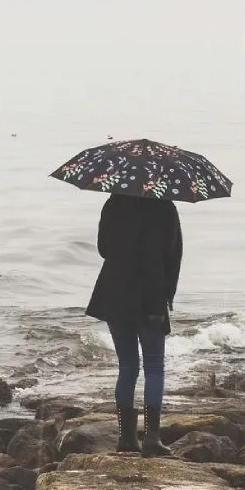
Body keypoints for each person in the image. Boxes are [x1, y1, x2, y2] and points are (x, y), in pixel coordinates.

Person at [86, 193, 183, 457]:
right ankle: (152, 438)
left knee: (127, 366)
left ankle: (126, 438)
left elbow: (104, 248)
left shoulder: (115, 202)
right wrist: (166, 294)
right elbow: (173, 255)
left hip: (114, 291)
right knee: (154, 367)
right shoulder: (165, 208)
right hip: (150, 294)